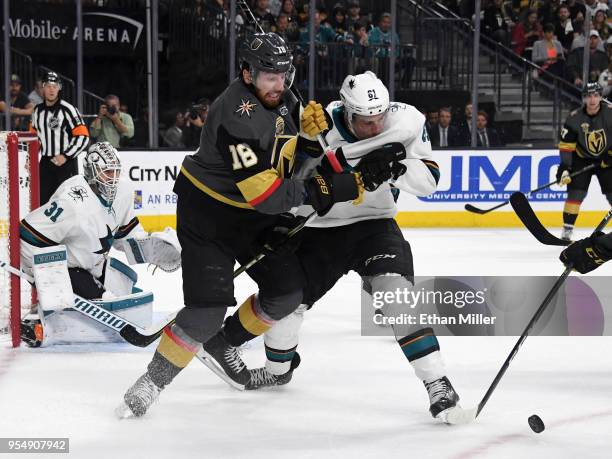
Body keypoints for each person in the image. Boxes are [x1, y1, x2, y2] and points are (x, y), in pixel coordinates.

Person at [117, 32, 362, 418]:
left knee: (287, 293)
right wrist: (324, 187)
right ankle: (152, 381)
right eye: (269, 76)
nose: (279, 85)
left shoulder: (286, 98)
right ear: (247, 73)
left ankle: (223, 343)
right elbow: (265, 195)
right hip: (209, 215)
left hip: (250, 215)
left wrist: (312, 140)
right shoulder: (234, 113)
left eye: (285, 75)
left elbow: (285, 154)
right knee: (206, 311)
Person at [203, 72, 462, 423]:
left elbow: (429, 182)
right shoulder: (318, 122)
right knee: (289, 304)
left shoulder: (407, 120)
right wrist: (308, 149)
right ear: (348, 113)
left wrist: (394, 169)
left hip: (375, 224)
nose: (375, 127)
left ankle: (438, 382)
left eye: (379, 119)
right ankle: (277, 369)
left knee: (397, 295)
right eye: (365, 122)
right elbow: (290, 180)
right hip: (320, 229)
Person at [18, 142, 181, 347]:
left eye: (115, 171)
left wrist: (150, 246)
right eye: (106, 172)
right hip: (70, 268)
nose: (112, 178)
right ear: (90, 172)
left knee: (124, 290)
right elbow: (27, 235)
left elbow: (124, 235)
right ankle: (40, 327)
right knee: (105, 301)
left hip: (94, 263)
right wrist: (46, 275)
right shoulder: (71, 201)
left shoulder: (123, 192)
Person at [556, 82, 612, 241]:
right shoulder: (574, 118)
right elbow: (566, 146)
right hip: (582, 159)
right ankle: (567, 230)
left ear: (601, 97)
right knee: (575, 193)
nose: (592, 99)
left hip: (607, 159)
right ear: (584, 98)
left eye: (596, 95)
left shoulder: (610, 114)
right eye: (589, 96)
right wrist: (565, 167)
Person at [30, 71, 89, 204]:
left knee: (67, 203)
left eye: (55, 86)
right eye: (48, 85)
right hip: (45, 164)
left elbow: (83, 136)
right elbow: (33, 138)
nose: (52, 89)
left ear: (59, 88)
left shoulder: (68, 109)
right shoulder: (37, 111)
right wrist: (31, 158)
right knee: (43, 203)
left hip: (66, 164)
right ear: (42, 88)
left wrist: (66, 155)